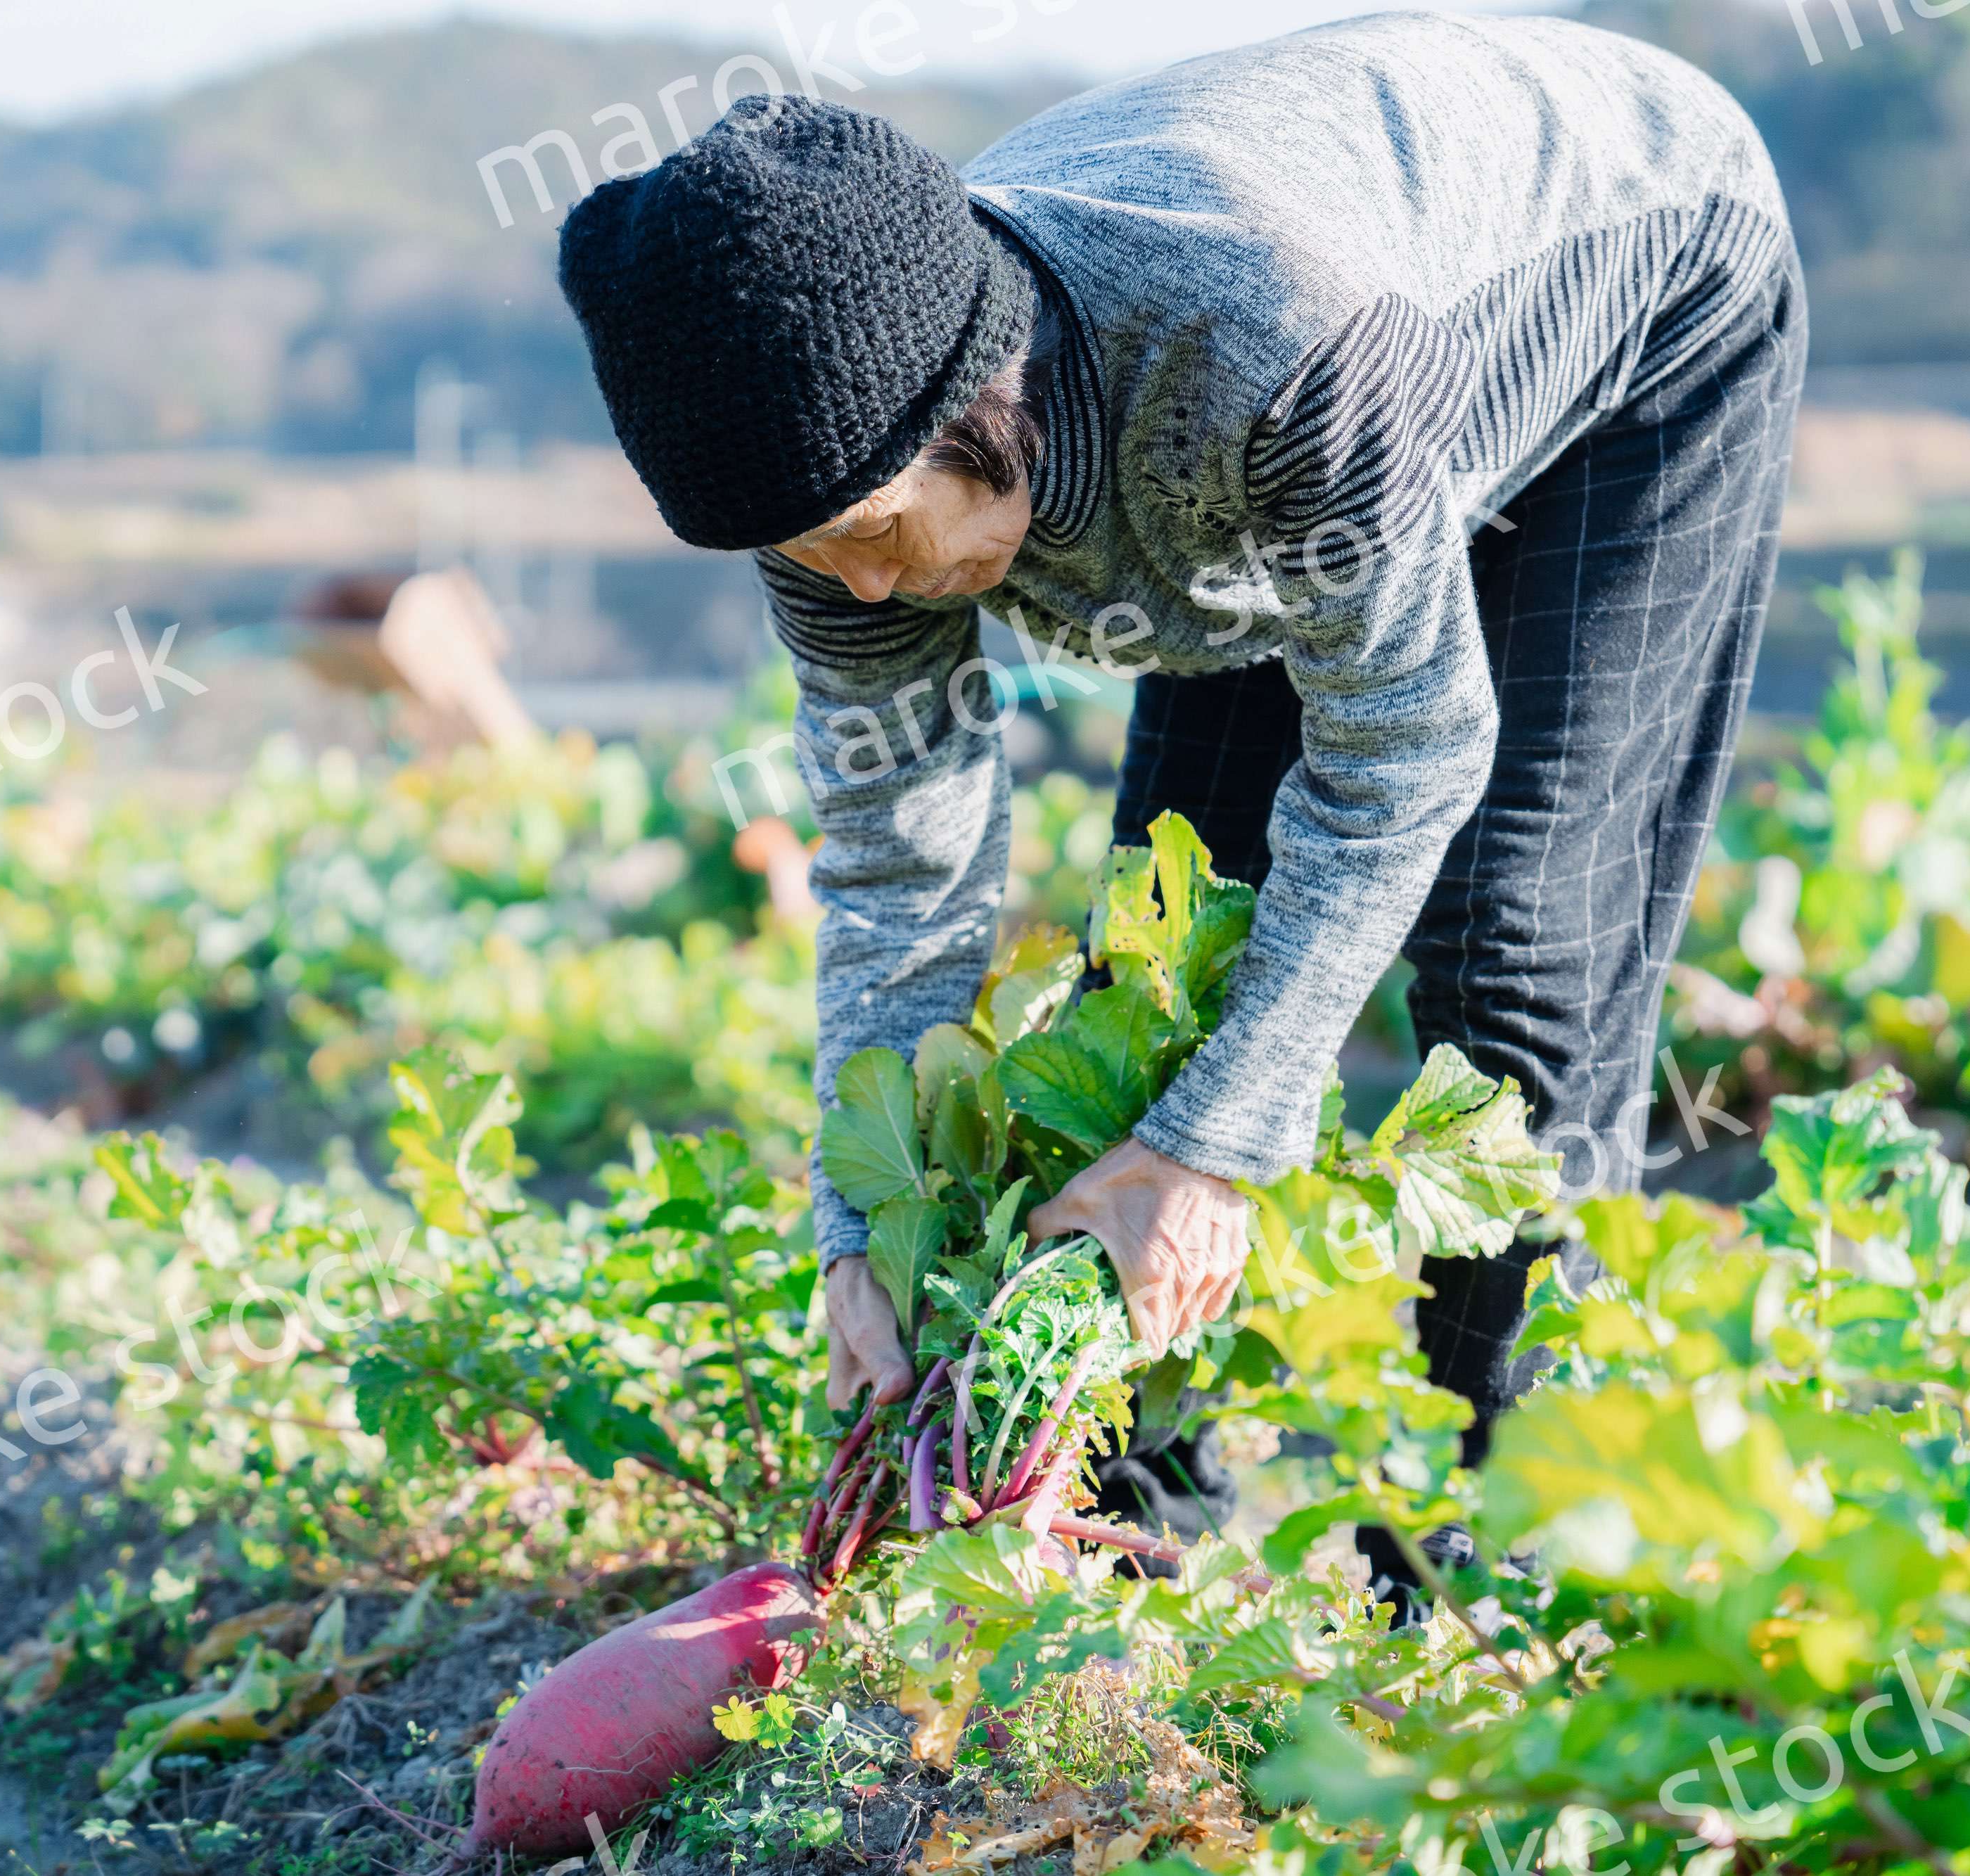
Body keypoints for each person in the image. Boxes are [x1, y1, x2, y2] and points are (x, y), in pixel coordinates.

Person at [555, 13, 1804, 1596]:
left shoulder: (1259, 351)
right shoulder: (822, 497)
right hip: (1264, 436)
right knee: (1161, 955)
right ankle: (1138, 1511)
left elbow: (1403, 750)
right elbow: (898, 855)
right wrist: (862, 1219)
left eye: (878, 531)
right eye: (812, 560)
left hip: (1638, 297)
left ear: (976, 397)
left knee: (1509, 966)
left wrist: (1211, 1149)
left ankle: (1520, 1558)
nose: (862, 587)